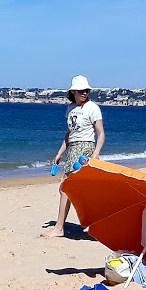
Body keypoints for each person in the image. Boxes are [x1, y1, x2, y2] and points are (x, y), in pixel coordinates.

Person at [50, 75, 104, 238]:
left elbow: (101, 134)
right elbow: (70, 135)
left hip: (85, 148)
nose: (84, 93)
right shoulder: (70, 109)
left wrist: (95, 154)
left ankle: (59, 228)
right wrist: (60, 153)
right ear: (73, 91)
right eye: (81, 91)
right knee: (72, 189)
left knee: (67, 187)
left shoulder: (92, 107)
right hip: (73, 149)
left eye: (86, 90)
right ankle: (92, 223)